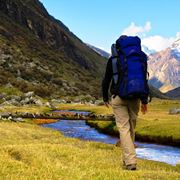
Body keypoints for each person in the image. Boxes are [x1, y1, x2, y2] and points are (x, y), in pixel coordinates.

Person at [102, 35, 148, 170]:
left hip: (118, 98)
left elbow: (106, 80)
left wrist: (105, 97)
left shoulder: (114, 60)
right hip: (135, 98)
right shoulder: (141, 58)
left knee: (124, 129)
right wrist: (145, 100)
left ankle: (130, 162)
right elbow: (144, 80)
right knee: (131, 128)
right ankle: (129, 159)